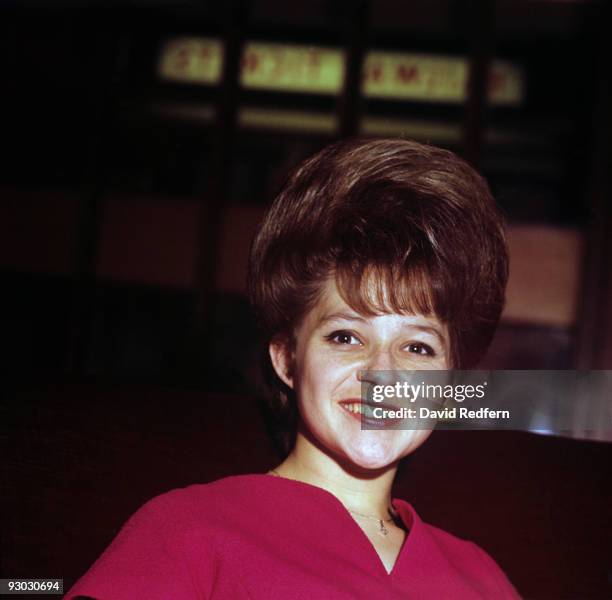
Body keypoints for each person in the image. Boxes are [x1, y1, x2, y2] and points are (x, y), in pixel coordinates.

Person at [66, 138, 520, 599]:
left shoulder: (480, 577)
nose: (383, 372)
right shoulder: (189, 529)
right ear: (287, 357)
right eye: (346, 336)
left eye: (418, 348)